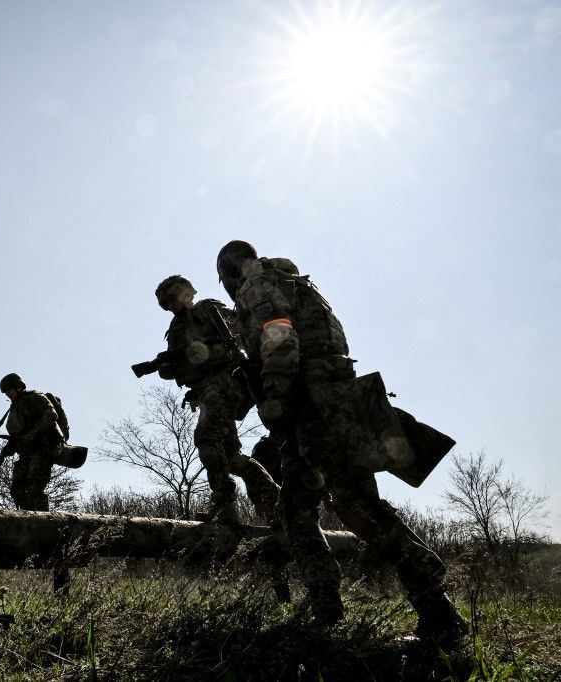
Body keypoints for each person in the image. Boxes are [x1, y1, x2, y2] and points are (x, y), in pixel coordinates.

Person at [216, 239, 467, 643]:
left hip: (314, 412)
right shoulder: (297, 283)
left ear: (230, 271)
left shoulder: (256, 283)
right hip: (329, 406)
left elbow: (280, 337)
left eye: (222, 280)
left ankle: (436, 608)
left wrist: (275, 398)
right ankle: (327, 611)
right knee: (296, 511)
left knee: (357, 507)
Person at [152, 275, 279, 528]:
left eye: (173, 298)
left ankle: (223, 501)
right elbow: (182, 368)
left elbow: (239, 342)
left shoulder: (210, 310)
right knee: (231, 456)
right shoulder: (177, 328)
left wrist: (205, 355)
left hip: (225, 384)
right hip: (206, 391)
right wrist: (170, 366)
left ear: (187, 293)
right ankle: (274, 494)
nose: (172, 306)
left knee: (207, 438)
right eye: (166, 304)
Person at [0, 373, 64, 512]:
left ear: (18, 387)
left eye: (9, 390)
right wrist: (3, 454)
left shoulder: (35, 397)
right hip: (26, 453)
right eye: (5, 392)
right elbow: (16, 438)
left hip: (43, 450)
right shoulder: (14, 408)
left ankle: (44, 521)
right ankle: (27, 518)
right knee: (16, 490)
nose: (7, 394)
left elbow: (51, 414)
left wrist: (32, 434)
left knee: (34, 489)